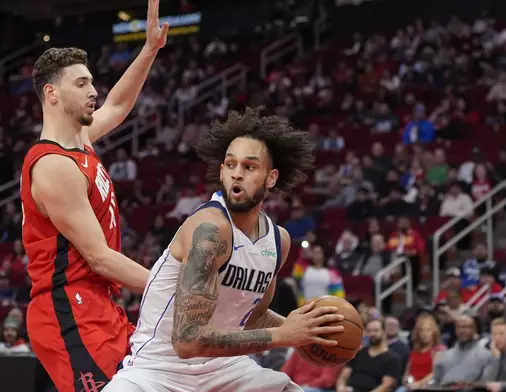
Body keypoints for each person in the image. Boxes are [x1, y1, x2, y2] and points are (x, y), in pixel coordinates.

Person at [104, 107, 346, 392]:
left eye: (250, 167)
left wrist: (304, 331)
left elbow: (253, 315)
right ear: (221, 171)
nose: (237, 174)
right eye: (230, 165)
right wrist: (283, 335)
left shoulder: (278, 241)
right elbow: (187, 340)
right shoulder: (209, 228)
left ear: (271, 178)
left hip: (227, 369)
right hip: (158, 371)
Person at [21, 1, 169, 391]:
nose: (94, 90)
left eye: (91, 81)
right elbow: (99, 257)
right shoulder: (53, 165)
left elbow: (118, 105)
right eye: (81, 84)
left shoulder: (80, 141)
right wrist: (172, 285)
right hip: (68, 307)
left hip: (97, 303)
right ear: (51, 94)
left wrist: (149, 49)